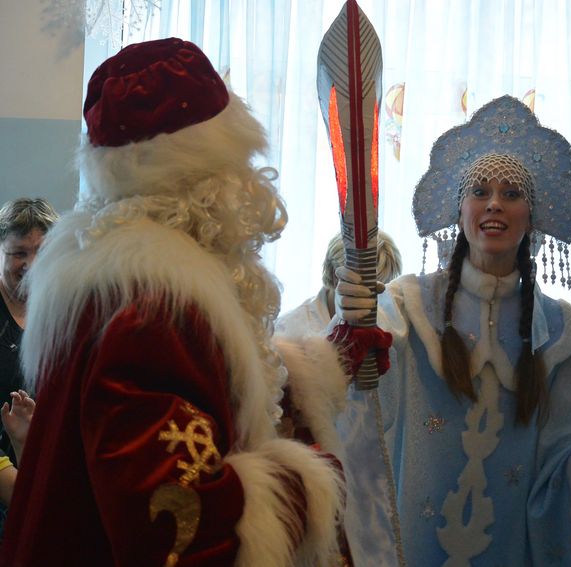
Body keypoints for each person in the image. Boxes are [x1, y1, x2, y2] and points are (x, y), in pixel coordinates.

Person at [0, 38, 345, 566]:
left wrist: (306, 371)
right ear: (205, 181)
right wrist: (305, 482)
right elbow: (176, 529)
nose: (249, 184)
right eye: (238, 166)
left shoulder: (118, 283)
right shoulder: (152, 313)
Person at [332, 96, 571, 566]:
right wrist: (349, 323)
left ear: (531, 217)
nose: (495, 203)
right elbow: (356, 390)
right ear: (459, 211)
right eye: (480, 191)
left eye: (512, 193)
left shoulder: (559, 334)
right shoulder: (407, 308)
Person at [0, 198, 57, 464]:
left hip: (43, 467)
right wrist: (10, 480)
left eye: (41, 253)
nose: (32, 265)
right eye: (19, 253)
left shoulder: (59, 314)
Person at [276, 230, 402, 336]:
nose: (374, 300)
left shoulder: (389, 326)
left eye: (380, 291)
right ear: (336, 276)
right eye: (366, 289)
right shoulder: (287, 330)